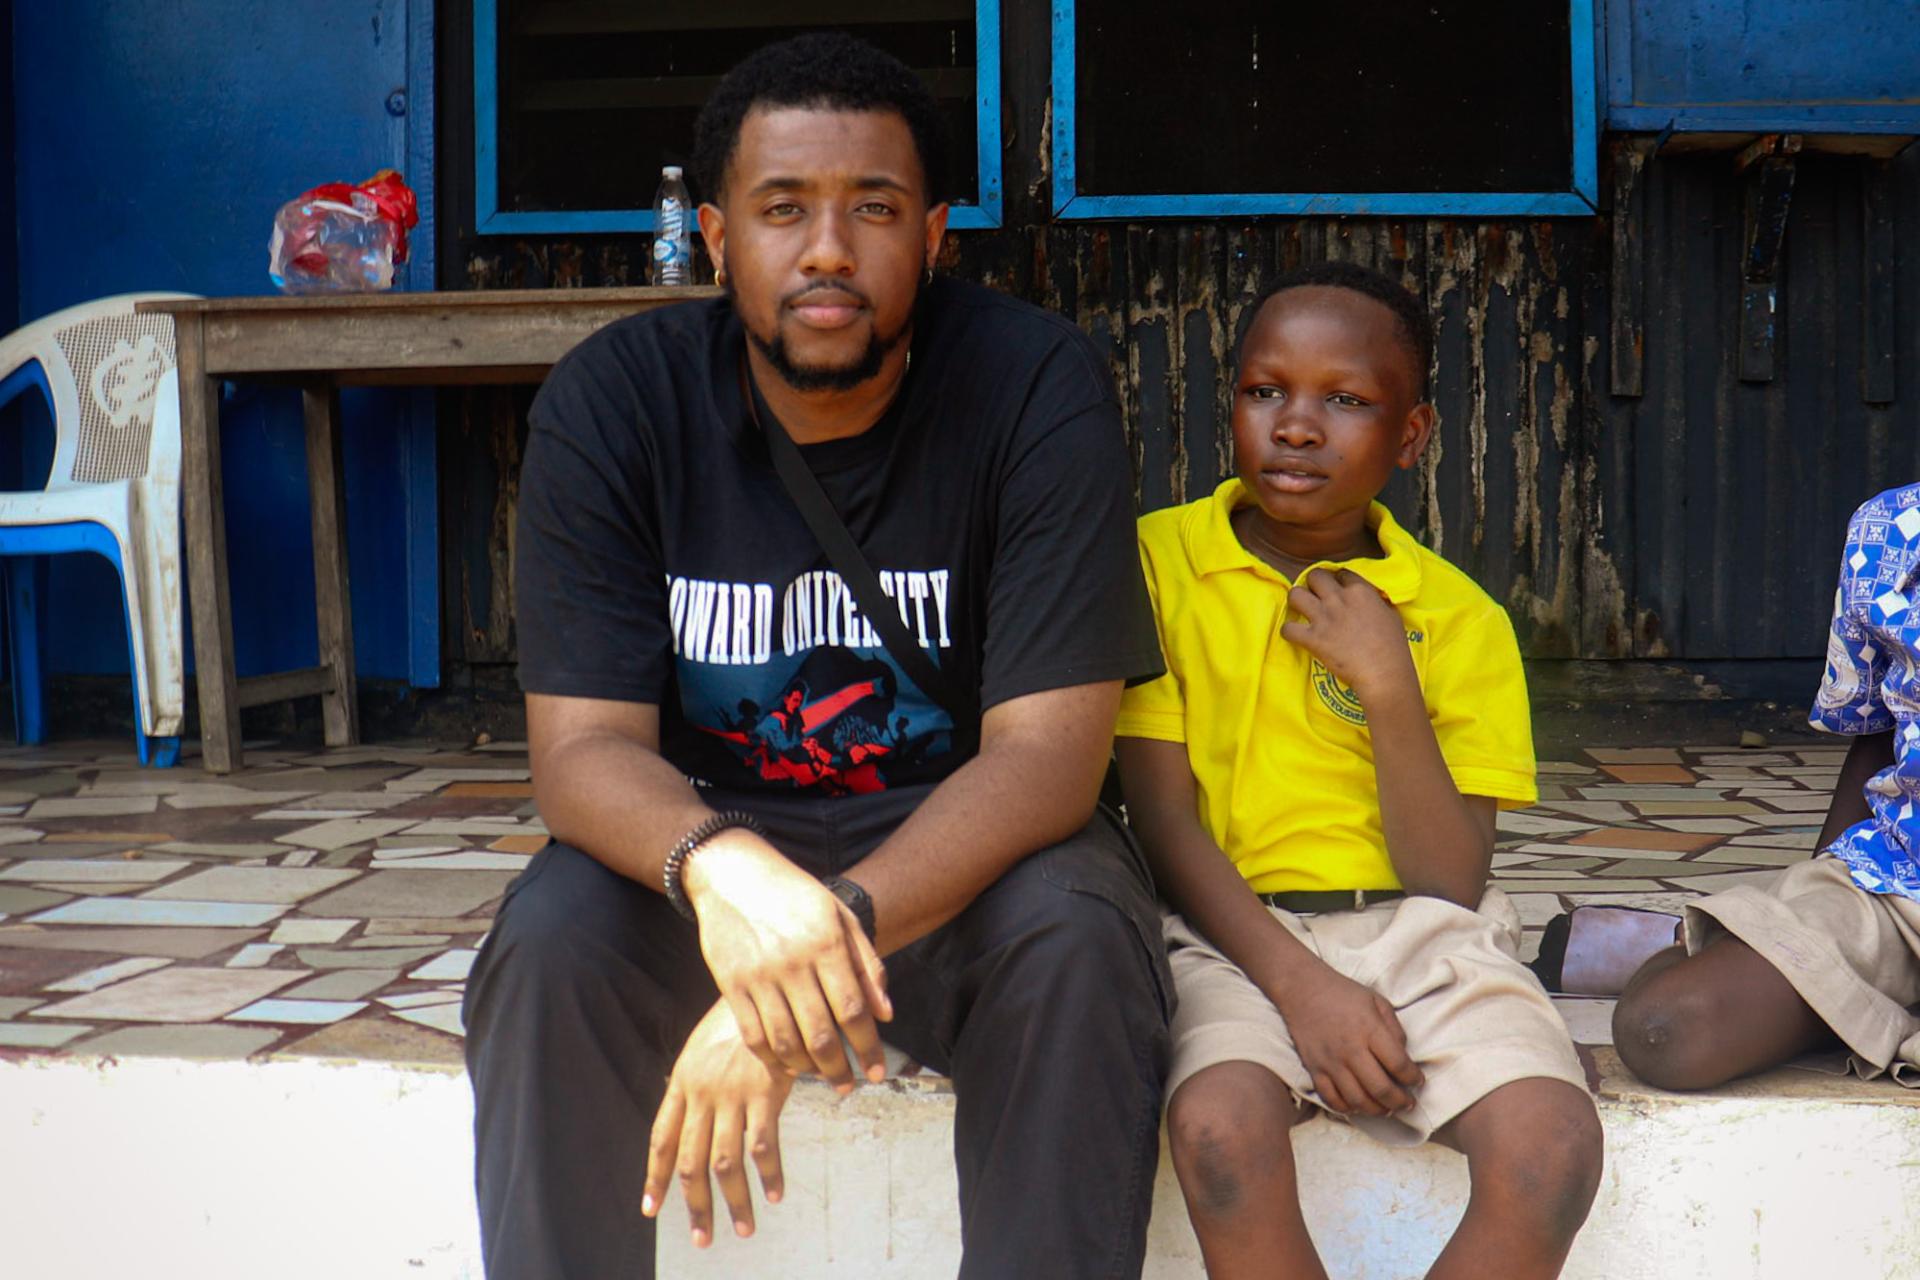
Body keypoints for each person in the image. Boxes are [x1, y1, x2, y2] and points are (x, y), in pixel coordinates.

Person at [461, 31, 1172, 1280]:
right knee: (552, 940)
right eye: (784, 209)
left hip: (963, 854)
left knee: (1077, 936)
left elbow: (1052, 761)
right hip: (723, 851)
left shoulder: (1035, 385)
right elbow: (581, 753)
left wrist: (809, 954)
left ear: (938, 234)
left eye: (876, 209)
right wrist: (725, 871)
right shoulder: (614, 401)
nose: (829, 250)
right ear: (720, 238)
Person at [1114, 262, 1604, 1279]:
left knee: (1553, 1145)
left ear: (1412, 434)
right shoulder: (1159, 564)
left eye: (1345, 400)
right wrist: (1304, 986)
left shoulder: (1460, 619)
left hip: (1423, 934)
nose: (1296, 426)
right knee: (1215, 1132)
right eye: (1265, 391)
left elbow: (1451, 880)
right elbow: (1162, 822)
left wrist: (1389, 684)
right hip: (1228, 934)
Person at [1613, 484, 1920, 1091]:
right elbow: (1878, 735)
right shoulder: (1891, 529)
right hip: (1900, 885)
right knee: (1667, 1030)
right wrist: (1791, 926)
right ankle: (1708, 941)